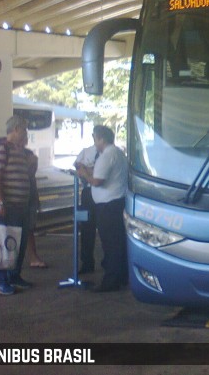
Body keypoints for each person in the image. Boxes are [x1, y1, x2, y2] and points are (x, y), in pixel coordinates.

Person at [76, 125, 128, 292]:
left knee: (110, 243)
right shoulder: (118, 153)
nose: (95, 142)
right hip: (116, 203)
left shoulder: (107, 155)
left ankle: (111, 281)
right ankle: (121, 276)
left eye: (96, 139)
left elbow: (97, 181)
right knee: (117, 242)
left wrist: (84, 173)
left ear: (101, 139)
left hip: (108, 206)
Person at [0, 115, 36, 295]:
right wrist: (0, 201)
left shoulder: (20, 152)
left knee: (20, 243)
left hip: (21, 206)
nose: (26, 132)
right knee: (5, 243)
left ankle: (14, 276)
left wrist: (32, 166)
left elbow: (28, 176)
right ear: (16, 129)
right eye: (24, 129)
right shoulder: (2, 149)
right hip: (8, 206)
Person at [74, 143, 98, 274]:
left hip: (104, 193)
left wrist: (87, 170)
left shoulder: (111, 153)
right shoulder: (86, 151)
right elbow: (78, 166)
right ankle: (87, 262)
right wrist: (88, 171)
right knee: (87, 229)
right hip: (88, 193)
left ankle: (109, 263)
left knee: (106, 230)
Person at [24, 146, 47, 268]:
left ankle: (32, 257)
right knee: (27, 229)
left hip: (30, 199)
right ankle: (32, 257)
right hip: (22, 201)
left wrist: (37, 201)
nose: (34, 169)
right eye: (32, 165)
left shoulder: (30, 177)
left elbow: (33, 186)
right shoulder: (22, 177)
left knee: (29, 229)